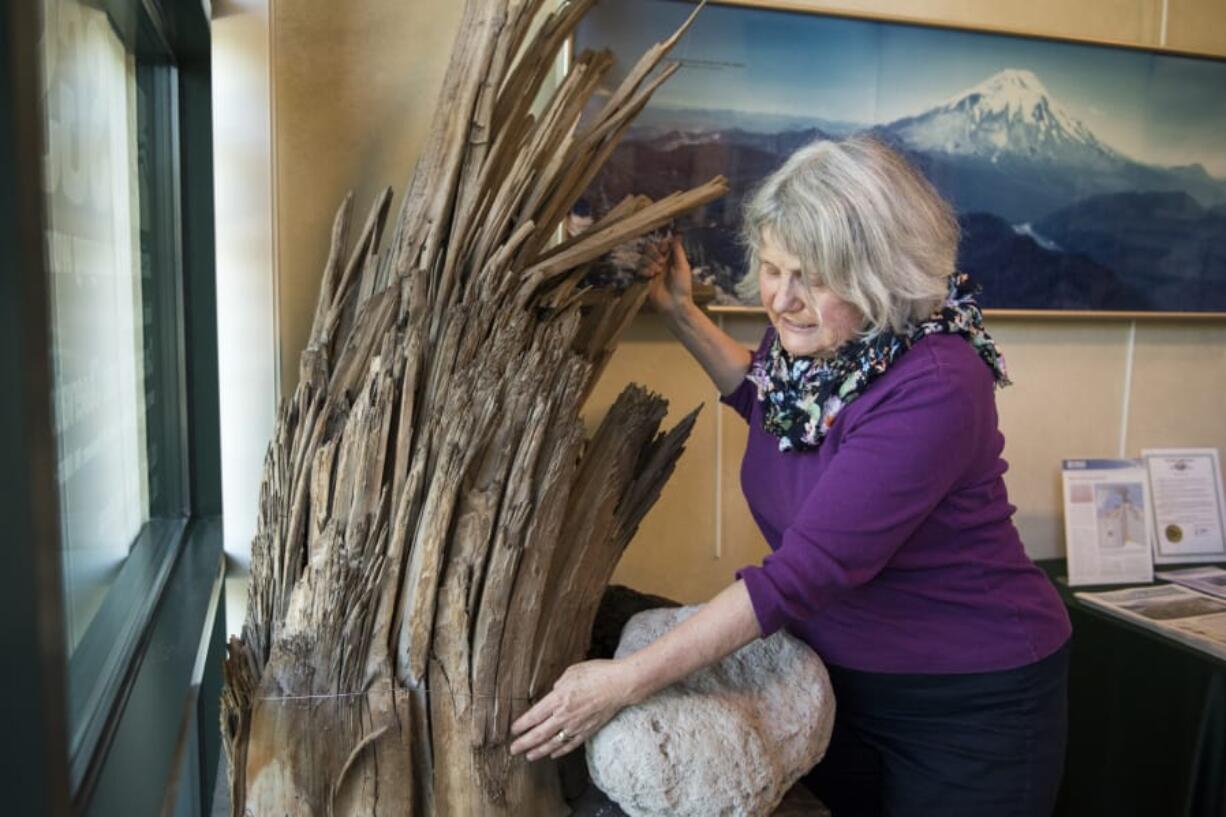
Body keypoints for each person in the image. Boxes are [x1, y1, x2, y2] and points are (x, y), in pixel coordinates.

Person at [509, 134, 1073, 817]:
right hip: (840, 678)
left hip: (967, 701)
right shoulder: (820, 341)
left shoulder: (937, 380)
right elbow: (770, 402)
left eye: (814, 276)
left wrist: (624, 681)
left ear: (881, 273)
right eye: (774, 268)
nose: (783, 298)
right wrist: (682, 313)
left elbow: (804, 573)